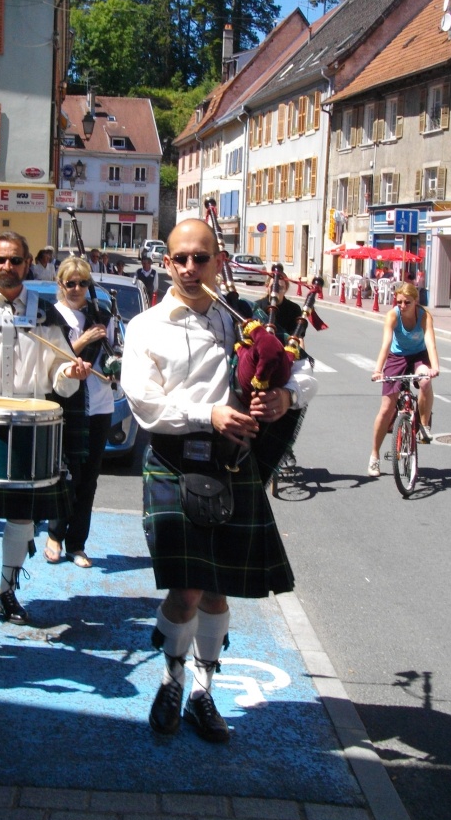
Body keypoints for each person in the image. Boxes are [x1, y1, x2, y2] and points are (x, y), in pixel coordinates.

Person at [120, 219, 317, 744]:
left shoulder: (243, 319)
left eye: (200, 258)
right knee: (185, 591)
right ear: (166, 263)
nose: (189, 268)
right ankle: (171, 680)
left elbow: (300, 372)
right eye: (179, 258)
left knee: (217, 589)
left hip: (232, 466)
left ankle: (205, 692)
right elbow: (145, 406)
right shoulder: (145, 328)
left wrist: (286, 397)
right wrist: (209, 415)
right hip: (174, 461)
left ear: (218, 261)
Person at [0, 231, 90, 629]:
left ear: (27, 264)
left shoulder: (45, 314)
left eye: (15, 260)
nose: (8, 267)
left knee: (23, 519)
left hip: (29, 424)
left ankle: (8, 591)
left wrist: (70, 372)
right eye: (1, 260)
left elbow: (59, 374)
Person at [45, 256, 114, 569]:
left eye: (82, 282)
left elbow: (115, 353)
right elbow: (48, 361)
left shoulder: (102, 314)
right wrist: (83, 340)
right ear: (60, 284)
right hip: (66, 404)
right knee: (65, 473)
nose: (76, 288)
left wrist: (116, 369)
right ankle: (55, 535)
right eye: (70, 282)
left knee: (89, 478)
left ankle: (78, 544)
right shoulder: (50, 315)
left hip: (99, 404)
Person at [368, 282, 440, 478]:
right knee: (386, 407)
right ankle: (374, 456)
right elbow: (386, 344)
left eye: (407, 302)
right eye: (398, 301)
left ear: (416, 301)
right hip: (396, 357)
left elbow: (430, 343)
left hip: (419, 355)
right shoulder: (393, 315)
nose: (402, 305)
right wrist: (378, 370)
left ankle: (424, 426)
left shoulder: (424, 316)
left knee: (425, 381)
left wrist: (434, 367)